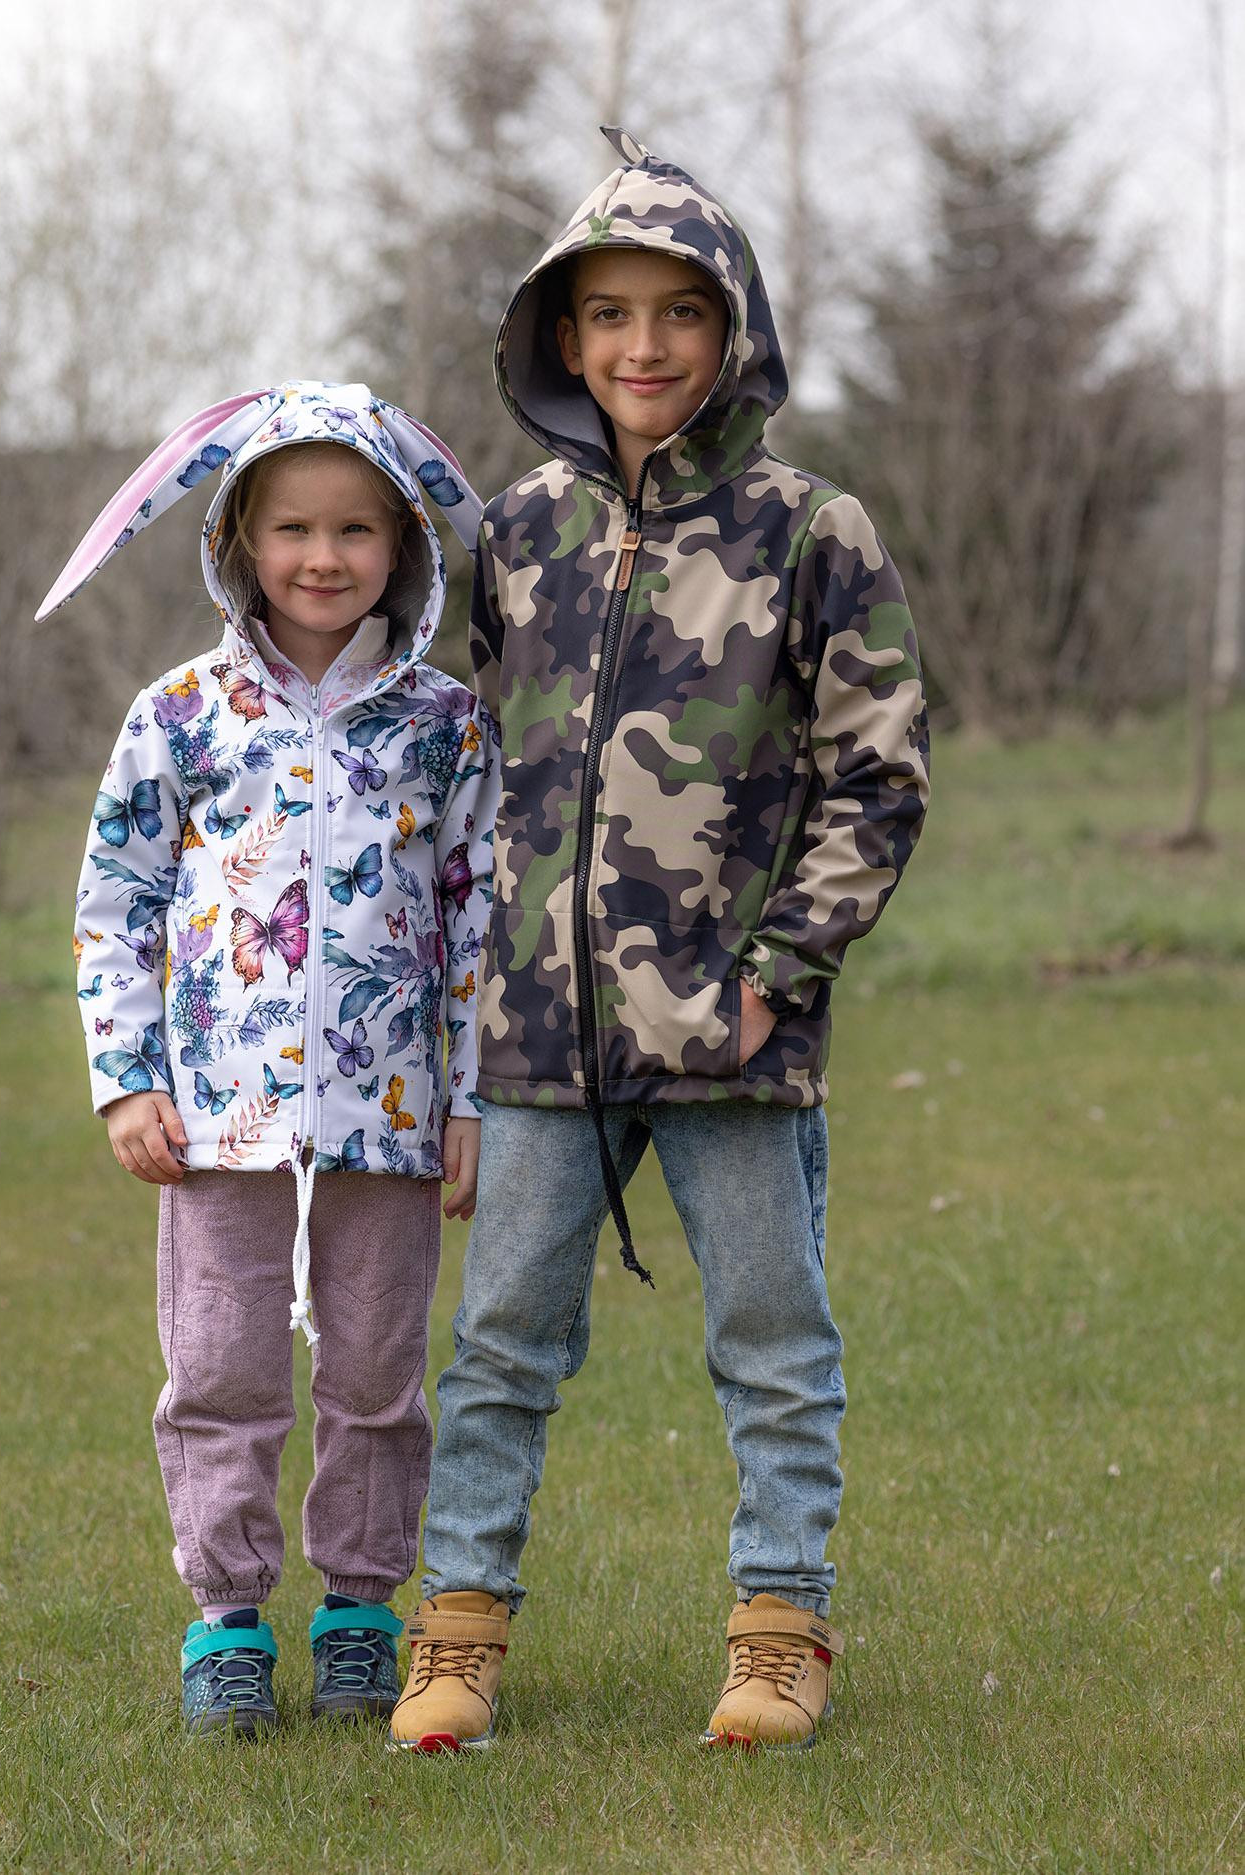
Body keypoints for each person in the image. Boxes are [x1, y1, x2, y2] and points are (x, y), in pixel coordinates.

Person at [389, 128, 930, 1754]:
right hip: (543, 1042)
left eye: (678, 314)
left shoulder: (810, 531)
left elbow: (878, 774)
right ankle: (459, 1633)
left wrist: (780, 980)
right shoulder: (511, 538)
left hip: (733, 1035)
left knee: (773, 1341)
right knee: (496, 1350)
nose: (642, 346)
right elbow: (459, 761)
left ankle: (780, 1629)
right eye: (608, 315)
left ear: (735, 329)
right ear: (563, 337)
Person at [38, 381, 498, 1738]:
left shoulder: (443, 722)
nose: (323, 556)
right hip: (218, 1116)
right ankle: (225, 1617)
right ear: (238, 542)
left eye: (357, 529)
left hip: (391, 1109)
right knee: (223, 1364)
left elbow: (482, 915)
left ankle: (361, 1605)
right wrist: (128, 1075)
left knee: (374, 1369)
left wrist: (471, 1101)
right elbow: (115, 903)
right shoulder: (177, 716)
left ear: (402, 548)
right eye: (293, 527)